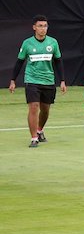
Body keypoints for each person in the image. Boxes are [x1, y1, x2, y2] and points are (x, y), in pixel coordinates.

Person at [9, 14, 67, 148]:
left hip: (48, 81)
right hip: (32, 80)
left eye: (45, 26)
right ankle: (34, 138)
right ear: (34, 27)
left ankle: (39, 130)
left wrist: (62, 80)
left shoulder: (53, 42)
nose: (43, 29)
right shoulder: (27, 43)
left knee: (45, 110)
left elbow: (58, 62)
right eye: (40, 26)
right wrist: (13, 80)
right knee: (34, 107)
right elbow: (19, 62)